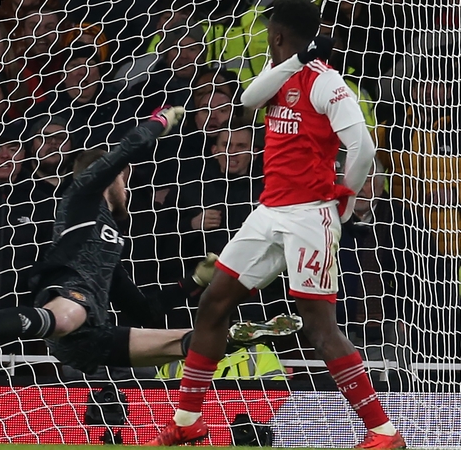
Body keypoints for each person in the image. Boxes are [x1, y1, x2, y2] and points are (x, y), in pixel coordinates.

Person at [147, 1, 404, 448]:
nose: (266, 41)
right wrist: (294, 60)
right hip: (269, 212)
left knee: (320, 328)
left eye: (270, 35)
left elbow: (360, 146)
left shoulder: (326, 83)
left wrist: (346, 194)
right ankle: (187, 420)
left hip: (310, 217)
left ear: (278, 36)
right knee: (213, 302)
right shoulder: (283, 73)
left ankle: (383, 432)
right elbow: (246, 102)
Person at [0, 108, 302, 373]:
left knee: (191, 341)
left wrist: (193, 283)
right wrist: (157, 123)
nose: (128, 185)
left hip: (95, 334)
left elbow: (142, 311)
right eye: (124, 177)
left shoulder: (111, 242)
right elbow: (117, 156)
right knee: (69, 312)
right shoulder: (80, 198)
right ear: (116, 176)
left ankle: (240, 336)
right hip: (68, 303)